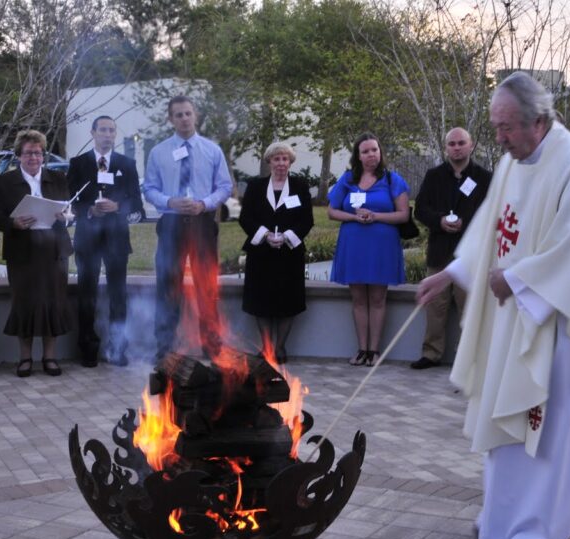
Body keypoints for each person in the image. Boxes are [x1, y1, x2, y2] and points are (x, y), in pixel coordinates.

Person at [416, 72, 570, 539]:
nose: (500, 139)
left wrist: (516, 280)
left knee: (549, 430)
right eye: (495, 128)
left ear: (538, 120)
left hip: (557, 327)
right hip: (516, 321)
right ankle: (504, 520)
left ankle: (540, 536)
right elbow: (491, 227)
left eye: (507, 128)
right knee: (508, 419)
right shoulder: (517, 163)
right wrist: (451, 273)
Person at [143, 95, 232, 361]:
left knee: (207, 285)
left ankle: (211, 344)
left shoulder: (212, 150)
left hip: (202, 224)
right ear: (170, 119)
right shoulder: (158, 152)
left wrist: (204, 204)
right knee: (168, 285)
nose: (184, 119)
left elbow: (225, 187)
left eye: (188, 113)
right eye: (178, 115)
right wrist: (169, 201)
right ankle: (165, 346)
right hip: (171, 224)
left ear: (196, 116)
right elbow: (149, 189)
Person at [0, 129, 74, 377]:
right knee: (24, 303)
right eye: (28, 153)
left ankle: (50, 357)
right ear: (19, 156)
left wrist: (65, 217)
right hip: (22, 252)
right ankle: (25, 358)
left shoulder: (57, 178)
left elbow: (68, 211)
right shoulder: (5, 182)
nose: (34, 157)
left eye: (38, 152)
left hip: (54, 250)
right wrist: (13, 223)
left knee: (53, 302)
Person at [410, 127, 492, 370]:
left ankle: (468, 359)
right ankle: (431, 353)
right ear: (446, 148)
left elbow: (492, 212)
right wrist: (440, 221)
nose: (456, 148)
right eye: (452, 144)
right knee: (435, 307)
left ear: (471, 145)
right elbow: (421, 209)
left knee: (470, 308)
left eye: (461, 143)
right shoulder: (434, 176)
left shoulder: (485, 177)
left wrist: (467, 224)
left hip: (470, 253)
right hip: (440, 250)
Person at [67, 115, 144, 368]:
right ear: (93, 133)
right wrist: (90, 210)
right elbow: (71, 201)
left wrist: (118, 205)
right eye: (103, 130)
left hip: (116, 239)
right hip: (88, 239)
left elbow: (136, 202)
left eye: (112, 131)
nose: (108, 135)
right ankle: (88, 347)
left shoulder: (126, 164)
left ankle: (118, 347)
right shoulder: (78, 164)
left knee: (117, 294)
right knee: (86, 293)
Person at [328, 133, 410, 367]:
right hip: (354, 245)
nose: (371, 154)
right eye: (365, 151)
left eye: (374, 149)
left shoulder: (393, 180)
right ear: (358, 156)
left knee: (377, 298)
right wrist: (354, 217)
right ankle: (361, 348)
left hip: (381, 246)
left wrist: (376, 216)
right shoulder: (347, 179)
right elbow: (332, 211)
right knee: (358, 299)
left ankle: (374, 350)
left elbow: (403, 214)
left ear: (380, 152)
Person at [238, 142, 314, 362]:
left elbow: (306, 220)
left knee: (287, 302)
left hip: (289, 254)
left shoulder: (300, 186)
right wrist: (265, 235)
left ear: (290, 162)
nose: (281, 163)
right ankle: (267, 348)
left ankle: (280, 348)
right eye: (277, 159)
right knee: (260, 302)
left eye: (285, 159)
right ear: (269, 161)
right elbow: (246, 218)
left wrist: (286, 237)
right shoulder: (255, 186)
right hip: (261, 253)